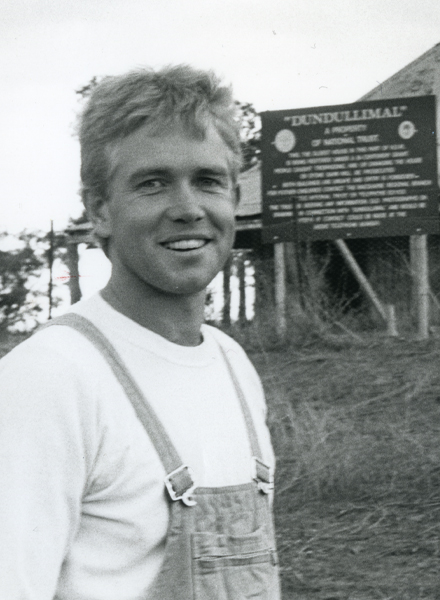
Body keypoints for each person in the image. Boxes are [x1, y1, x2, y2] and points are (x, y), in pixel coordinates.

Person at [0, 66, 280, 600]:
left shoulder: (232, 363)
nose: (187, 208)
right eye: (152, 183)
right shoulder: (50, 377)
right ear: (100, 209)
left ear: (235, 196)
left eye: (207, 180)